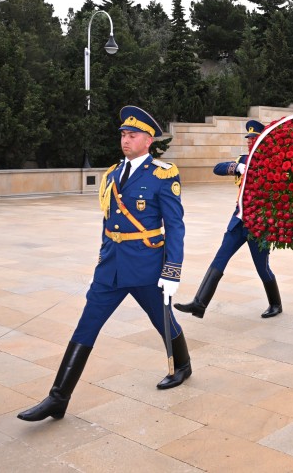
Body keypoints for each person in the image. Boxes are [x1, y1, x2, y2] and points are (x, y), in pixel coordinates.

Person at [18, 106, 190, 422]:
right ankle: (58, 397)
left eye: (133, 134)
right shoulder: (112, 174)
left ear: (148, 139)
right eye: (123, 134)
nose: (126, 140)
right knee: (88, 323)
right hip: (111, 268)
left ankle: (182, 366)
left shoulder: (162, 174)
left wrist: (172, 270)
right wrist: (101, 260)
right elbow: (108, 221)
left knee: (161, 318)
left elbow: (175, 225)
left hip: (146, 266)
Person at [174, 120, 282, 320]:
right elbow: (218, 168)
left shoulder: (272, 161)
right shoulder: (242, 159)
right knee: (220, 259)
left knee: (262, 268)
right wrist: (237, 167)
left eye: (254, 139)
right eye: (249, 139)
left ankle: (275, 303)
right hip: (238, 221)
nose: (250, 142)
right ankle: (199, 303)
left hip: (259, 225)